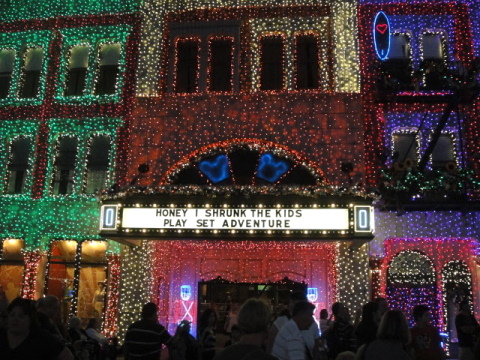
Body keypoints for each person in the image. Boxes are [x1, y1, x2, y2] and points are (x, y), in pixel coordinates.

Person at [0, 296, 74, 359]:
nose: (15, 319)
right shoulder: (2, 336)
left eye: (21, 316)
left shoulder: (42, 338)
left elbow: (66, 356)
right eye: (12, 315)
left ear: (30, 319)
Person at [267, 292, 320, 357]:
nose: (312, 320)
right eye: (310, 315)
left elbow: (316, 350)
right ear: (301, 313)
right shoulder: (291, 330)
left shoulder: (291, 326)